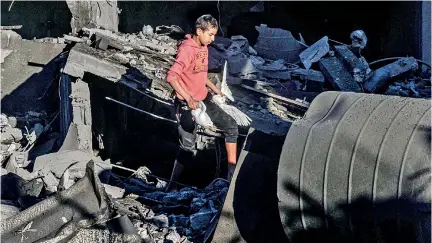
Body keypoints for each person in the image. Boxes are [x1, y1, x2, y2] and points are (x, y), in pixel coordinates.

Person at [165, 14, 238, 190]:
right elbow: (172, 76)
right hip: (187, 104)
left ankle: (231, 175)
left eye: (214, 35)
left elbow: (201, 73)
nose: (213, 39)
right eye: (210, 35)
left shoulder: (203, 47)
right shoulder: (187, 50)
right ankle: (172, 184)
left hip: (203, 98)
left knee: (231, 126)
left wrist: (216, 90)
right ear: (199, 31)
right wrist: (188, 98)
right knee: (188, 148)